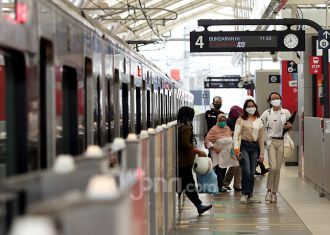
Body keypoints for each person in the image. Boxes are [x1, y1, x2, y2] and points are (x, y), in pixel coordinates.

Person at [177, 106, 212, 215]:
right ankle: (199, 205)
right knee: (189, 184)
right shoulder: (186, 127)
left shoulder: (179, 125)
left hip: (181, 160)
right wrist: (197, 151)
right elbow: (185, 143)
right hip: (184, 161)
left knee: (185, 184)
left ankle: (198, 205)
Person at [261, 92, 292, 203]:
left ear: (280, 99)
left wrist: (289, 127)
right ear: (269, 101)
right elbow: (261, 127)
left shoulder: (286, 112)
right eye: (273, 99)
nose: (275, 100)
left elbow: (290, 127)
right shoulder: (266, 114)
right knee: (273, 167)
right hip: (271, 142)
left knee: (278, 169)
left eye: (277, 98)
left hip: (281, 141)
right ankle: (268, 190)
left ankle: (274, 193)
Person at [233, 99, 265, 203]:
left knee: (252, 173)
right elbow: (236, 135)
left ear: (255, 107)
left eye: (253, 106)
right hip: (244, 147)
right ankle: (244, 194)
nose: (251, 108)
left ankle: (250, 195)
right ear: (245, 108)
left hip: (255, 148)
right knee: (246, 170)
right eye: (249, 106)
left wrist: (262, 153)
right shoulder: (240, 120)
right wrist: (236, 150)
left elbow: (261, 138)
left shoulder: (259, 120)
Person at [204, 114, 239, 192]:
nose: (223, 122)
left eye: (224, 121)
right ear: (218, 120)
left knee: (224, 168)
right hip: (217, 153)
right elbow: (207, 141)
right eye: (221, 121)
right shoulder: (213, 129)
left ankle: (221, 184)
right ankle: (220, 185)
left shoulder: (227, 128)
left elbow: (231, 138)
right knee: (219, 169)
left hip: (226, 153)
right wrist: (214, 147)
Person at [223, 105, 243, 191]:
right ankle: (226, 182)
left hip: (238, 143)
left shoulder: (240, 120)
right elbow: (226, 131)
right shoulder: (229, 121)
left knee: (238, 165)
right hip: (231, 145)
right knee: (235, 164)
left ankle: (236, 184)